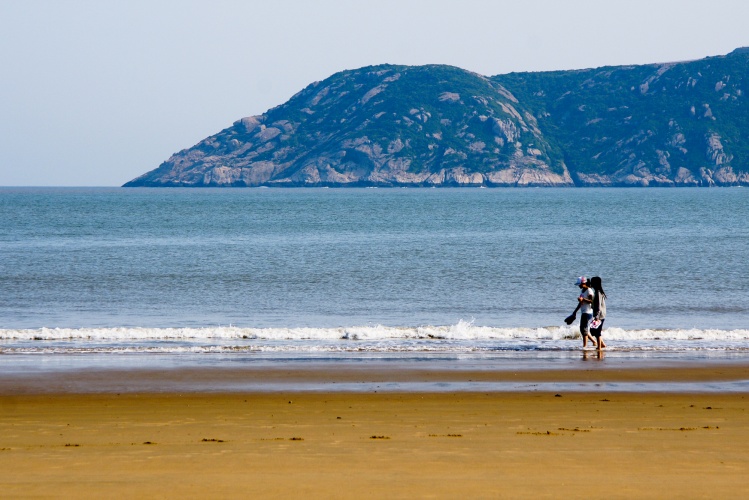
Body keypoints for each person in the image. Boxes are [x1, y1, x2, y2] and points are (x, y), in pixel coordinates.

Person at [575, 276, 597, 348]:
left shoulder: (589, 290)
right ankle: (593, 342)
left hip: (588, 312)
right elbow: (581, 303)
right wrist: (574, 312)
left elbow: (591, 301)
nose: (579, 286)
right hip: (584, 312)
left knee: (583, 329)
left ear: (583, 283)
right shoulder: (582, 291)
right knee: (583, 329)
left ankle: (585, 346)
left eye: (579, 284)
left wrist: (583, 299)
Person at [589, 276, 607, 351]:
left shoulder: (598, 292)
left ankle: (599, 347)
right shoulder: (597, 291)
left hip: (600, 315)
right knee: (594, 330)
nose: (591, 284)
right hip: (599, 314)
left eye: (592, 282)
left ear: (595, 283)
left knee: (597, 331)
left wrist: (597, 317)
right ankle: (602, 344)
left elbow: (599, 305)